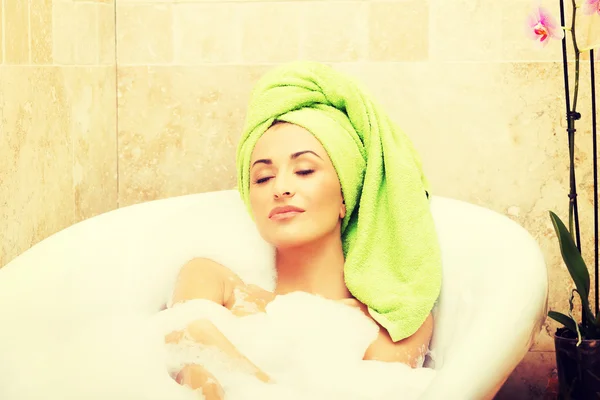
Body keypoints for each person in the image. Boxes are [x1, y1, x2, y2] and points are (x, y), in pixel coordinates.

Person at [164, 62, 442, 399]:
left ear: (346, 196)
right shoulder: (215, 282)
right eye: (263, 178)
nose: (280, 188)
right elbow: (189, 362)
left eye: (305, 170)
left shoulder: (393, 323)